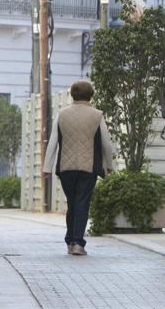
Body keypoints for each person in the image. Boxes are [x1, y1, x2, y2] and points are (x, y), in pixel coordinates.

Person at [43, 80, 113, 256]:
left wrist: (46, 168)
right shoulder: (97, 115)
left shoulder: (62, 114)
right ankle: (77, 243)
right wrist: (109, 165)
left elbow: (52, 142)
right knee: (82, 203)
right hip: (88, 168)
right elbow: (106, 143)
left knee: (73, 203)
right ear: (91, 95)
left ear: (72, 95)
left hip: (65, 168)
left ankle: (70, 240)